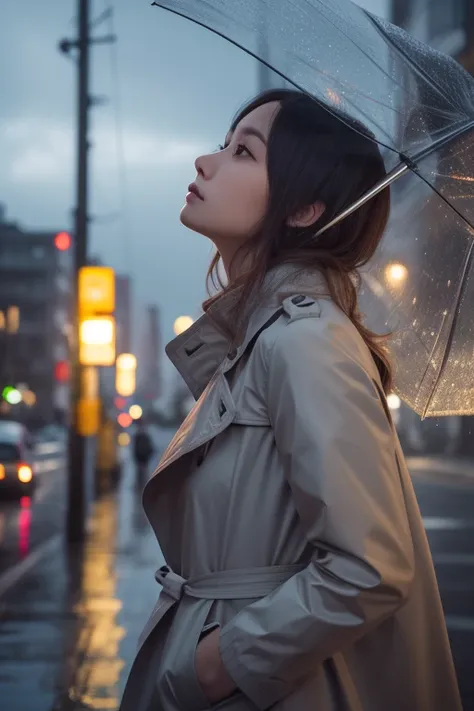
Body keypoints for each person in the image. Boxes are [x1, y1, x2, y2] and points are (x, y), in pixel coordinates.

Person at [120, 90, 462, 711]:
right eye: (225, 145)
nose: (205, 161)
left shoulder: (305, 341)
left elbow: (371, 568)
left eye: (242, 152)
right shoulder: (264, 340)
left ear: (304, 208)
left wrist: (216, 663)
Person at [132, 420, 154, 485]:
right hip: (140, 458)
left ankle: (142, 484)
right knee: (141, 472)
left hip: (144, 458)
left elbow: (150, 448)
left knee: (143, 472)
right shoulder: (139, 436)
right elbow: (135, 448)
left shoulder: (144, 436)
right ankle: (141, 484)